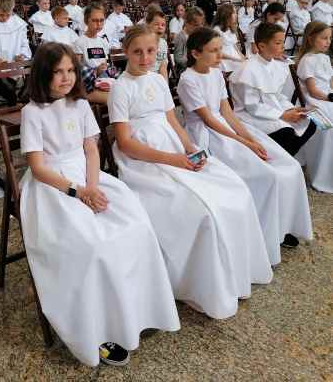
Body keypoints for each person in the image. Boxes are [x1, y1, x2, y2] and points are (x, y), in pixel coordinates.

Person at [20, 42, 180, 367]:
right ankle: (97, 330)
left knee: (136, 225)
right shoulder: (32, 113)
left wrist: (93, 186)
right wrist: (79, 192)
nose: (66, 78)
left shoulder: (79, 104)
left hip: (87, 175)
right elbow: (37, 168)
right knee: (92, 245)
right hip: (53, 185)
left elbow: (91, 151)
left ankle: (136, 309)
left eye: (70, 70)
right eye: (58, 72)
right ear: (43, 75)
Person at [108, 25, 272, 320]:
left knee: (233, 188)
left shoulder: (158, 81)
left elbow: (173, 122)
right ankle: (198, 286)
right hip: (145, 159)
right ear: (126, 53)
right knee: (201, 213)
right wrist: (173, 159)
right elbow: (125, 142)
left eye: (150, 51)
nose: (145, 58)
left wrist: (190, 149)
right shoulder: (121, 87)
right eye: (137, 52)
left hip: (174, 148)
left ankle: (236, 273)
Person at [178, 27, 313, 263]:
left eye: (220, 49)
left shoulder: (215, 73)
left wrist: (250, 138)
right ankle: (261, 233)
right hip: (206, 134)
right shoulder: (188, 79)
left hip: (226, 128)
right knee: (265, 175)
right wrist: (243, 142)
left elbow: (227, 112)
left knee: (288, 166)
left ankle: (281, 226)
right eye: (214, 50)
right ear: (196, 53)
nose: (220, 55)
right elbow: (208, 119)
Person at [229, 23, 317, 158]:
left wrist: (291, 109)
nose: (283, 46)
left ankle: (284, 157)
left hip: (272, 110)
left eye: (283, 42)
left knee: (311, 123)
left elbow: (277, 95)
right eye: (278, 43)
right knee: (286, 133)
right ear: (262, 46)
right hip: (250, 116)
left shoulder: (274, 65)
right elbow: (253, 106)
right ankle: (279, 159)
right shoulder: (247, 71)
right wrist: (282, 115)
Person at [297, 22, 333, 193]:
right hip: (314, 103)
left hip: (327, 98)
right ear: (311, 39)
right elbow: (312, 90)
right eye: (324, 38)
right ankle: (323, 174)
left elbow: (330, 84)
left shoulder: (325, 58)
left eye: (330, 38)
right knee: (329, 127)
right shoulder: (307, 60)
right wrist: (330, 98)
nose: (328, 42)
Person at [74, 4, 110, 75]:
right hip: (89, 79)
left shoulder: (103, 42)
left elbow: (104, 64)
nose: (99, 24)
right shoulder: (79, 42)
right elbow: (77, 69)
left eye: (101, 20)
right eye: (94, 20)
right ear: (86, 21)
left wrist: (104, 69)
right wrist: (96, 71)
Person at [212, 4, 246, 73]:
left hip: (234, 58)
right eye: (234, 13)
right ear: (227, 15)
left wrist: (242, 56)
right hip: (225, 59)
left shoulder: (231, 27)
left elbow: (234, 45)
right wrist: (236, 59)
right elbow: (217, 52)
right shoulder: (217, 30)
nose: (236, 15)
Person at [173, 6, 205, 74]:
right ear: (187, 23)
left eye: (201, 25)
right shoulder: (181, 37)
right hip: (184, 70)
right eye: (196, 25)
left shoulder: (198, 36)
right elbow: (178, 58)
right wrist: (192, 63)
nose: (199, 28)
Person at [145, 9, 168, 79]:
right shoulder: (143, 43)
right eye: (156, 24)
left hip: (158, 79)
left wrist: (165, 84)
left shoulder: (163, 43)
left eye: (163, 25)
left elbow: (163, 67)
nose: (160, 27)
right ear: (148, 25)